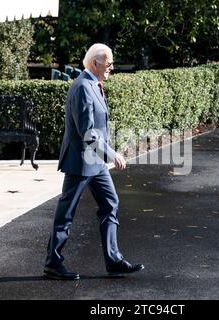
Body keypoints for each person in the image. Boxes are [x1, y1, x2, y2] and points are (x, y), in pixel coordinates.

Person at [43, 43, 144, 280]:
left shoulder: (94, 85)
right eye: (108, 63)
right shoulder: (82, 88)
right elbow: (87, 132)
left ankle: (114, 260)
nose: (111, 67)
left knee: (111, 204)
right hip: (81, 161)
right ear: (95, 62)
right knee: (66, 212)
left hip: (95, 162)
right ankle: (53, 263)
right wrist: (112, 153)